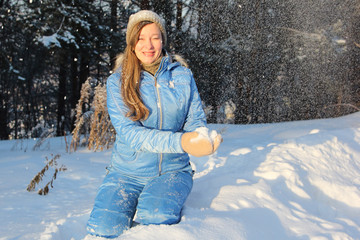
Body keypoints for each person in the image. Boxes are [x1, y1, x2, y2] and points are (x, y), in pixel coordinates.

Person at [86, 10, 222, 238]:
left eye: (155, 37)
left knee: (155, 217)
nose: (148, 45)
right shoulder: (117, 82)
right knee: (103, 229)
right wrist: (182, 141)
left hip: (172, 171)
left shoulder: (183, 76)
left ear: (163, 40)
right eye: (141, 38)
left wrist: (202, 137)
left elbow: (195, 120)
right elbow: (131, 134)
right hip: (125, 173)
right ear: (131, 43)